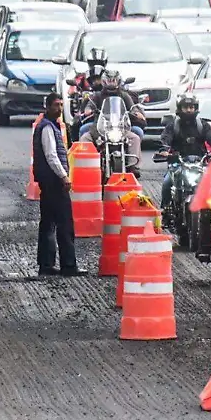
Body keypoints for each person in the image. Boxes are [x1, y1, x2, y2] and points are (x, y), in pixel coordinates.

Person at [32, 93, 84, 277]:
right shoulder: (47, 128)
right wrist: (64, 177)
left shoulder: (50, 126)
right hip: (53, 182)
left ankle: (46, 264)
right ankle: (68, 266)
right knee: (64, 223)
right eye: (56, 105)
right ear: (47, 107)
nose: (59, 108)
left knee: (48, 223)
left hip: (48, 182)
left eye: (61, 105)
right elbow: (51, 155)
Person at [156, 92, 211, 224]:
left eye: (191, 107)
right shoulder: (173, 125)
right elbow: (165, 139)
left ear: (196, 108)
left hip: (200, 163)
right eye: (186, 107)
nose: (189, 110)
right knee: (167, 183)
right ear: (180, 108)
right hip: (178, 163)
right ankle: (165, 211)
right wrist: (164, 150)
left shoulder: (203, 125)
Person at [78, 69, 146, 175]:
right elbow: (89, 106)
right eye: (109, 80)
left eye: (114, 80)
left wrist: (136, 112)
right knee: (84, 138)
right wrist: (88, 110)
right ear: (104, 81)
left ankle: (133, 166)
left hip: (120, 126)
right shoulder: (97, 95)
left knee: (135, 138)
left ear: (118, 81)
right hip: (100, 127)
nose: (111, 83)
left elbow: (132, 107)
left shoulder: (124, 95)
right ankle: (86, 165)